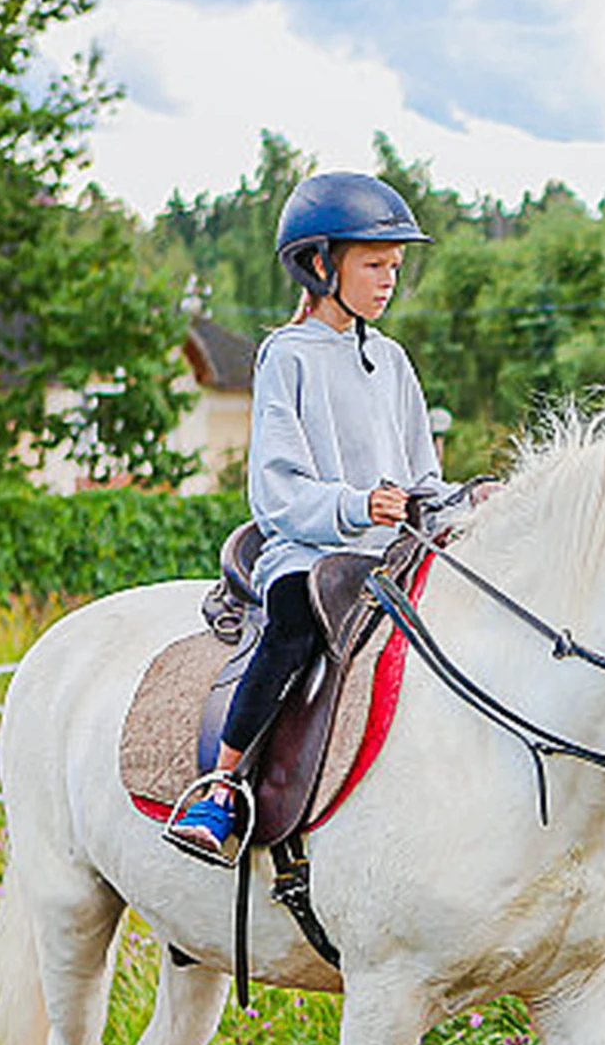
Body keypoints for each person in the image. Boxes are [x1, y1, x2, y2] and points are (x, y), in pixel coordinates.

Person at [167, 171, 443, 859]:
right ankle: (222, 787)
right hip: (310, 554)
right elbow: (277, 491)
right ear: (321, 265)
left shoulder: (393, 359)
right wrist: (356, 505)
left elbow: (422, 474)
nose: (389, 281)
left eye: (395, 267)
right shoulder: (285, 356)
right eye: (374, 265)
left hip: (389, 556)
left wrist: (456, 502)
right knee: (292, 625)